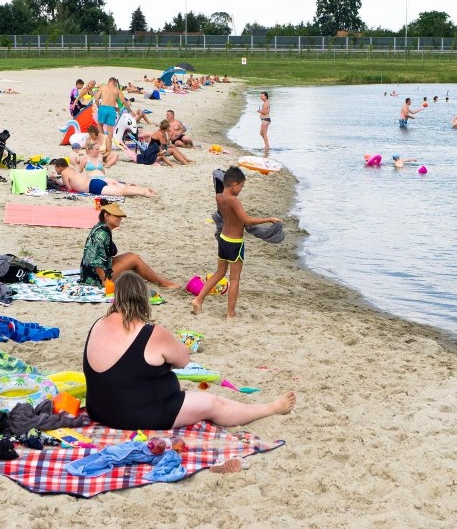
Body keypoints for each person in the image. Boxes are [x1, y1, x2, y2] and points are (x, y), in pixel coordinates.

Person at [83, 270, 295, 430]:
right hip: (134, 414)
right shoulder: (151, 333)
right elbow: (183, 360)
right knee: (213, 403)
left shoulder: (98, 323)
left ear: (116, 297)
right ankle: (271, 408)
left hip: (98, 409)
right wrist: (179, 344)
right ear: (143, 298)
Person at [192, 166, 281, 318]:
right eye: (241, 186)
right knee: (234, 280)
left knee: (219, 273)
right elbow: (246, 220)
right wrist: (269, 219)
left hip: (223, 240)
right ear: (234, 185)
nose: (241, 189)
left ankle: (198, 299)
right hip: (235, 243)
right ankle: (230, 314)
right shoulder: (234, 201)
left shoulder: (219, 197)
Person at [79, 204, 178, 289]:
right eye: (116, 215)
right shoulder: (101, 234)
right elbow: (95, 261)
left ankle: (159, 281)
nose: (120, 218)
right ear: (106, 215)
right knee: (134, 259)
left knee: (131, 255)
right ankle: (162, 282)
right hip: (94, 278)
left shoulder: (102, 227)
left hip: (92, 271)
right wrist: (105, 282)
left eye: (120, 216)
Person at [50, 157, 155, 198]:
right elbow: (70, 181)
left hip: (93, 187)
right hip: (95, 182)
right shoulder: (71, 170)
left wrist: (59, 183)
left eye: (55, 168)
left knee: (120, 192)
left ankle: (143, 192)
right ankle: (143, 189)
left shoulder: (64, 173)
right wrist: (57, 180)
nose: (55, 170)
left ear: (59, 167)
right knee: (120, 189)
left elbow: (69, 188)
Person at [93, 78, 121, 151]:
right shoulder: (116, 90)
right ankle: (109, 146)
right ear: (114, 82)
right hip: (111, 108)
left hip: (103, 107)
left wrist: (98, 106)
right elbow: (123, 101)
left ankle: (103, 142)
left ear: (108, 82)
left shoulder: (102, 87)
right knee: (110, 129)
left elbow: (96, 99)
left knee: (99, 125)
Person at [257, 91, 271, 156]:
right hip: (264, 120)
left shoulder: (265, 103)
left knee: (264, 134)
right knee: (261, 133)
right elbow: (266, 111)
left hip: (265, 120)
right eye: (260, 96)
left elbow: (265, 112)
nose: (261, 97)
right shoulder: (266, 102)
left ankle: (267, 147)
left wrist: (259, 111)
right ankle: (267, 145)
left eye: (262, 96)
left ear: (266, 96)